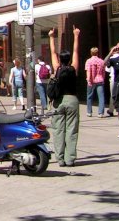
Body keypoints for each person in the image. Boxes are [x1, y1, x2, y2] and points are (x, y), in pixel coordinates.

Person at [49, 26, 80, 167]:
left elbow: (53, 52)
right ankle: (70, 158)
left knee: (58, 130)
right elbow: (75, 51)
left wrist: (51, 37)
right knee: (71, 129)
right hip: (72, 99)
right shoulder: (73, 68)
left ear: (60, 60)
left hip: (58, 101)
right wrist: (76, 35)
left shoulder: (57, 68)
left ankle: (60, 159)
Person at [84, 47, 106, 118]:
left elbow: (88, 71)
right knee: (101, 97)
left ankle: (89, 112)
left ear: (91, 53)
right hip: (100, 80)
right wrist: (103, 78)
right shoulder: (102, 61)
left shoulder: (88, 61)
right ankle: (100, 113)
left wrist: (88, 80)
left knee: (89, 96)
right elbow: (103, 72)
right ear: (97, 53)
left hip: (91, 80)